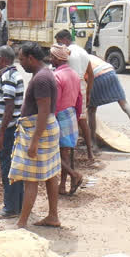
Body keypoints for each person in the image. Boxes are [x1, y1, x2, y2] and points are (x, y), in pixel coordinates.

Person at [10, 42, 62, 229]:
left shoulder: (41, 79)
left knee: (30, 178)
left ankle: (21, 223)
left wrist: (34, 141)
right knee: (49, 175)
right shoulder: (44, 74)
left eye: (22, 59)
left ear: (31, 58)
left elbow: (43, 110)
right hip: (44, 130)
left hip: (40, 131)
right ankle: (53, 216)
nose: (20, 63)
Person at [87, 53, 130, 149]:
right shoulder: (88, 55)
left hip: (96, 76)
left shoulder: (72, 60)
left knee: (91, 110)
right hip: (110, 71)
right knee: (124, 104)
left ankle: (93, 143)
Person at [0, 45, 25, 220]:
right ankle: (18, 204)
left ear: (2, 59)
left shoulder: (8, 77)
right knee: (15, 167)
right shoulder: (11, 75)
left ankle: (10, 208)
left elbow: (9, 107)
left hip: (10, 130)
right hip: (12, 129)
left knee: (8, 169)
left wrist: (0, 133)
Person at [55, 30, 95, 160]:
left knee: (66, 118)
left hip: (70, 85)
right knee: (82, 120)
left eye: (59, 42)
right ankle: (90, 152)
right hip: (82, 85)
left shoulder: (67, 52)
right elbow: (91, 73)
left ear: (65, 39)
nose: (59, 46)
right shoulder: (83, 51)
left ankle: (67, 153)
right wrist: (88, 92)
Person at [50, 44, 84, 196]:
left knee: (55, 153)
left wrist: (50, 119)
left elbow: (55, 103)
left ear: (57, 59)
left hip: (60, 116)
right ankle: (62, 186)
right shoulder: (75, 75)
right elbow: (79, 98)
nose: (50, 59)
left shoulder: (57, 76)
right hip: (71, 114)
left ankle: (73, 175)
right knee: (65, 153)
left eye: (51, 56)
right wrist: (76, 116)